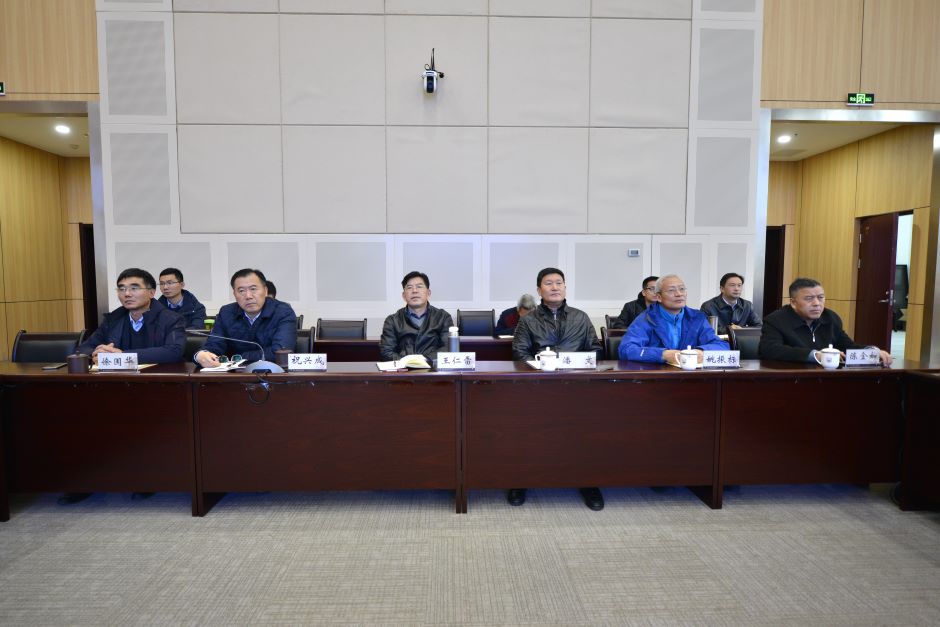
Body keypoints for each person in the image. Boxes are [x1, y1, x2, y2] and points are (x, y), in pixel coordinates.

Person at [509, 267, 604, 511]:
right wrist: (542, 366)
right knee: (527, 434)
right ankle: (520, 479)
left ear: (565, 287)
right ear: (539, 290)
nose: (554, 287)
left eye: (559, 283)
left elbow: (596, 349)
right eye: (548, 283)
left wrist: (575, 365)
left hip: (577, 387)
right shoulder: (528, 320)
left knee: (585, 434)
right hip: (537, 387)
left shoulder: (580, 317)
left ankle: (588, 482)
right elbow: (519, 353)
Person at [759, 277, 893, 365]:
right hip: (792, 379)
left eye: (820, 297)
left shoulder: (830, 318)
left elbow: (847, 346)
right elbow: (770, 349)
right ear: (793, 303)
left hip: (826, 378)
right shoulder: (776, 320)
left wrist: (872, 352)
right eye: (809, 298)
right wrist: (815, 355)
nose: (817, 303)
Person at [78, 267, 186, 365]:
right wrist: (98, 354)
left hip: (158, 378)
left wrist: (123, 356)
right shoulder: (113, 319)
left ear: (151, 293)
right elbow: (83, 349)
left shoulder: (171, 319)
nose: (127, 294)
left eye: (134, 288)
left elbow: (174, 352)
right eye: (122, 289)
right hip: (119, 378)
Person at [194, 269, 297, 367]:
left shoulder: (283, 312)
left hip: (273, 374)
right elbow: (214, 345)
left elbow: (280, 352)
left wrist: (239, 357)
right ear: (234, 294)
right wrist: (201, 355)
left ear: (265, 291)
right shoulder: (226, 313)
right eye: (241, 291)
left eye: (253, 289)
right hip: (233, 375)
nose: (248, 296)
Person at [619, 274, 729, 364]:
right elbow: (626, 349)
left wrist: (701, 351)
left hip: (691, 376)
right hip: (658, 376)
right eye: (671, 290)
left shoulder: (697, 317)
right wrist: (663, 355)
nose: (679, 294)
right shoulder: (647, 318)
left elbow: (721, 345)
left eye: (682, 289)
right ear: (659, 297)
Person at [379, 271, 453, 362]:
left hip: (432, 368)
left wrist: (425, 359)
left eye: (419, 286)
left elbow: (449, 347)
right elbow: (386, 351)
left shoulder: (443, 317)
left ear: (428, 293)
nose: (414, 291)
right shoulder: (392, 320)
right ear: (404, 296)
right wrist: (408, 363)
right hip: (403, 369)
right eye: (409, 287)